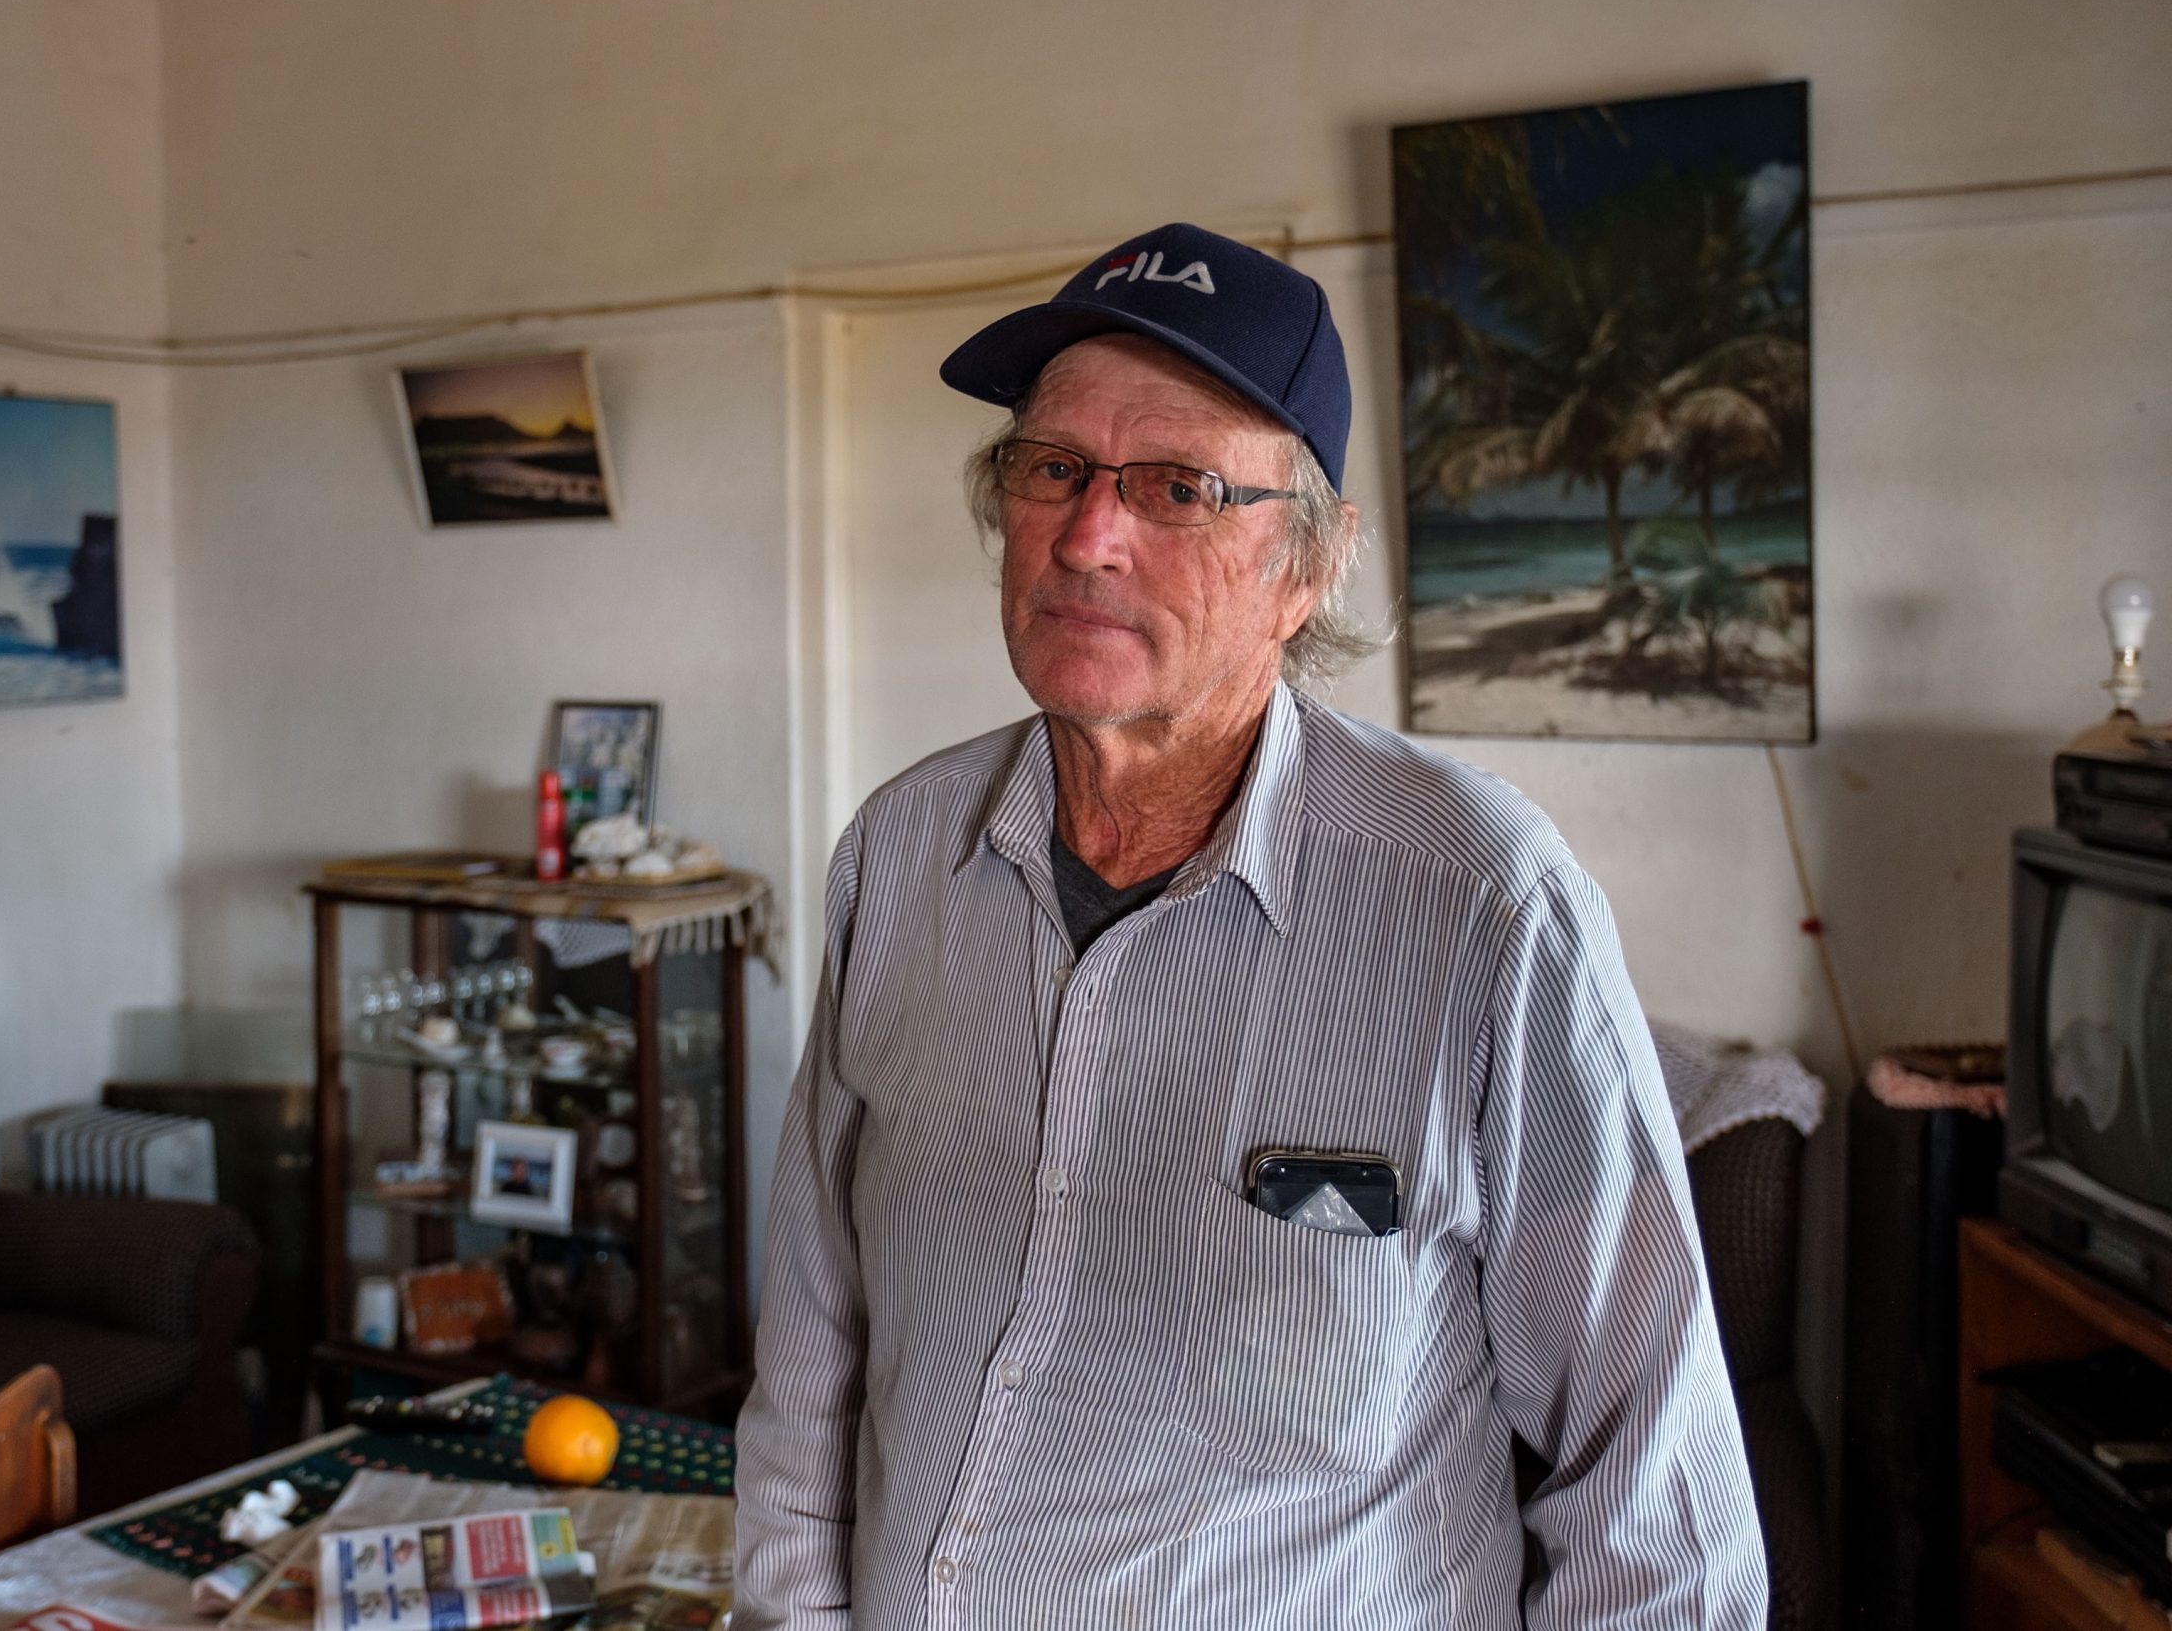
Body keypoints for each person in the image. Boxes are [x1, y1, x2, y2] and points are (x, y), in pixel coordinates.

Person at [732, 223, 1767, 1628]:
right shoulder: (901, 858)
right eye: (1054, 470)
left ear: (1305, 569)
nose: (1090, 536)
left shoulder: (1478, 900)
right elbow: (810, 1353)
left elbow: (1658, 1502)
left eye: (1178, 487)